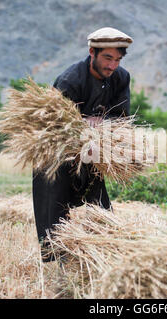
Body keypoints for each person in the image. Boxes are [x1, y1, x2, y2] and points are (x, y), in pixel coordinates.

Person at [32, 27, 133, 262]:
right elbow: (54, 126)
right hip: (56, 153)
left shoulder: (121, 77)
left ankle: (99, 254)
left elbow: (122, 119)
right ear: (92, 53)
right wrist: (85, 124)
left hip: (92, 152)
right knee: (55, 212)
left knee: (98, 208)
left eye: (117, 59)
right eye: (107, 58)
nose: (112, 66)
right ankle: (58, 264)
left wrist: (100, 124)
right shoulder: (70, 81)